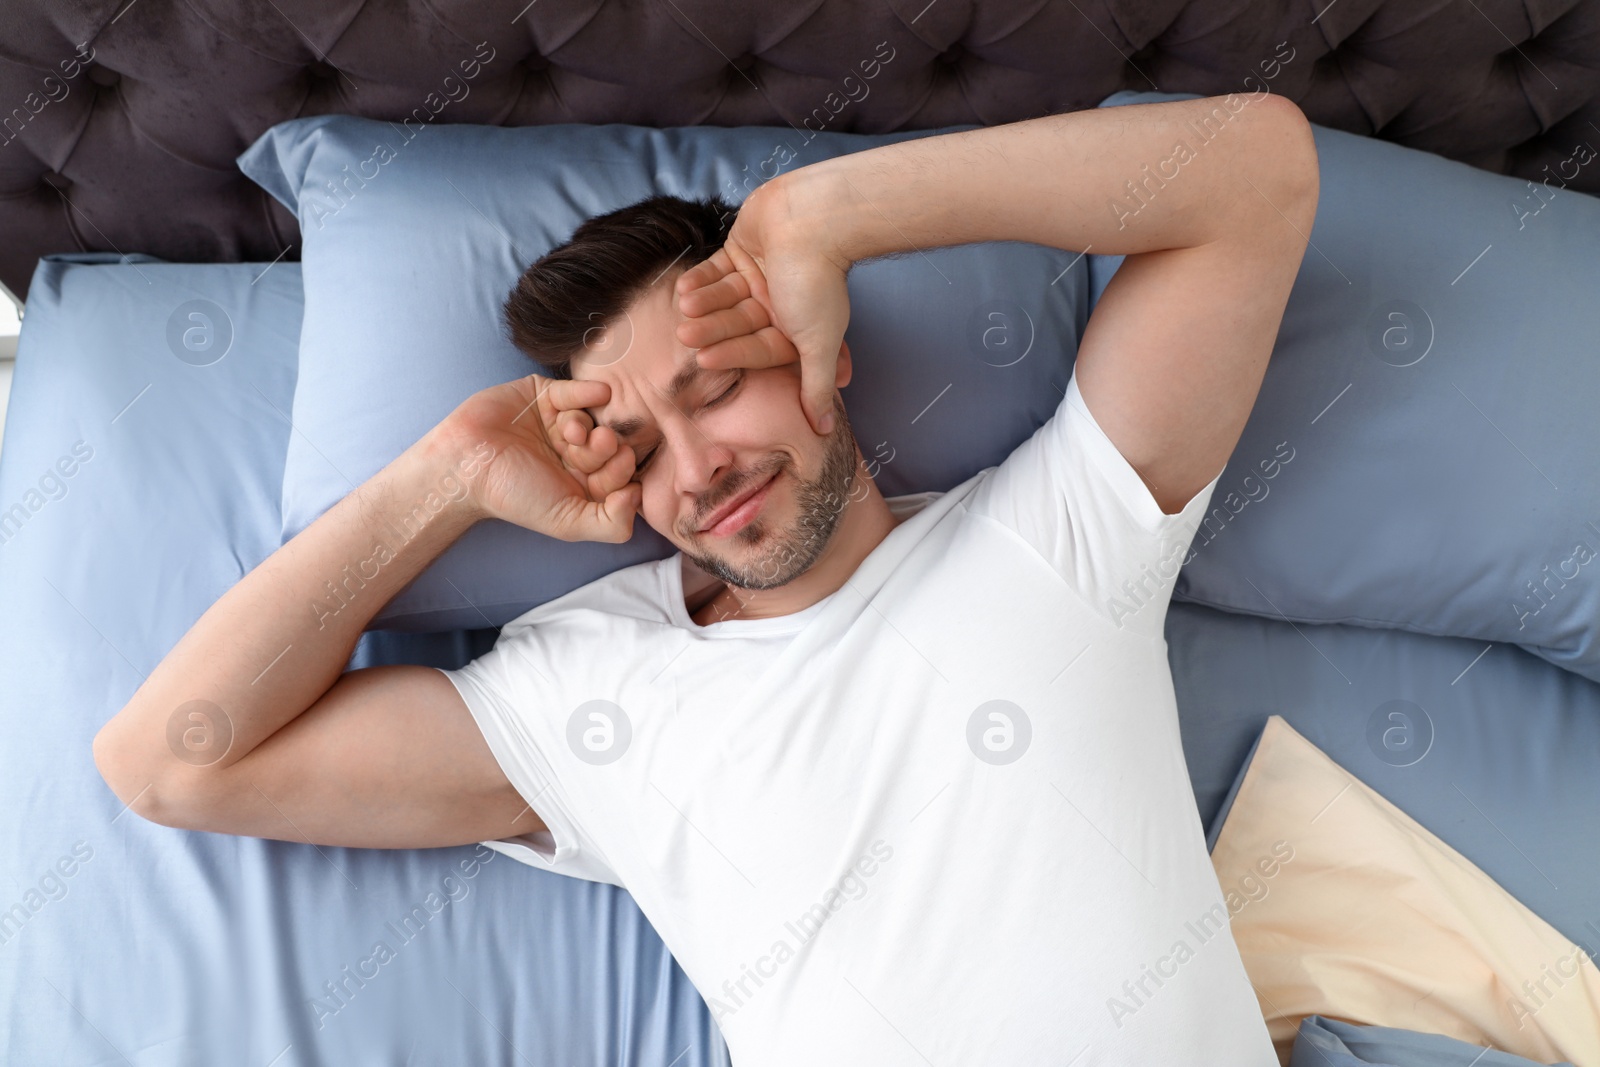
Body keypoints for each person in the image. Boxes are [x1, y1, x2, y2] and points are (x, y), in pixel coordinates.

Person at [94, 91, 1318, 1064]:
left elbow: (1253, 168)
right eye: (633, 443)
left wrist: (823, 219)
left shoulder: (1060, 532)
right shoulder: (590, 686)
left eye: (716, 385)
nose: (697, 470)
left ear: (816, 355)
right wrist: (446, 476)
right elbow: (171, 758)